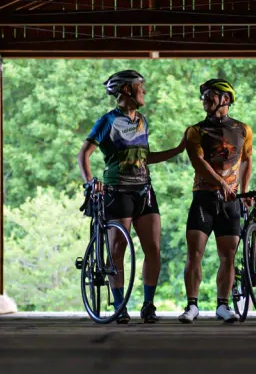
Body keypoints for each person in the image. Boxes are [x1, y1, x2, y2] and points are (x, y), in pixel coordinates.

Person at [78, 70, 184, 324]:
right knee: (117, 250)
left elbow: (145, 158)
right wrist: (91, 182)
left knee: (154, 249)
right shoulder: (108, 121)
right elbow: (85, 153)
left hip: (144, 190)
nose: (144, 91)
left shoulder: (143, 121)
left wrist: (179, 149)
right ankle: (119, 305)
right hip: (117, 191)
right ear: (127, 90)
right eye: (140, 87)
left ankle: (148, 305)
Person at [179, 78, 253, 324]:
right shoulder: (195, 131)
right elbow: (198, 163)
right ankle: (192, 305)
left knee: (228, 256)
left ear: (226, 99)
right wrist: (221, 184)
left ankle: (223, 305)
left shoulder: (243, 129)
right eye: (203, 96)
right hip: (204, 198)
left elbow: (245, 160)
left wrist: (244, 191)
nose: (204, 99)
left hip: (231, 201)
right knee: (195, 253)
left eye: (210, 95)